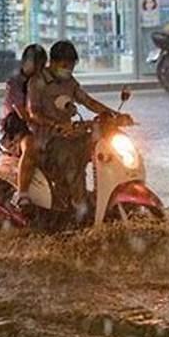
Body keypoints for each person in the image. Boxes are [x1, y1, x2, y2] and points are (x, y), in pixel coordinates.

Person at [21, 40, 123, 213]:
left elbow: (88, 101)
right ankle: (79, 207)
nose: (68, 70)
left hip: (70, 133)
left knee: (104, 147)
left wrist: (114, 115)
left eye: (71, 66)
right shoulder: (37, 83)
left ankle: (102, 196)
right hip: (47, 140)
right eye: (65, 65)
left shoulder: (70, 82)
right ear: (52, 62)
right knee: (72, 157)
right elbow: (33, 113)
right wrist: (56, 125)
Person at [0, 45, 47, 206]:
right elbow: (22, 112)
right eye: (36, 64)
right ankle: (23, 194)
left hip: (41, 126)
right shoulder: (15, 82)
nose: (39, 68)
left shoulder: (44, 82)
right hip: (18, 130)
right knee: (30, 146)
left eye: (42, 64)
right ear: (26, 62)